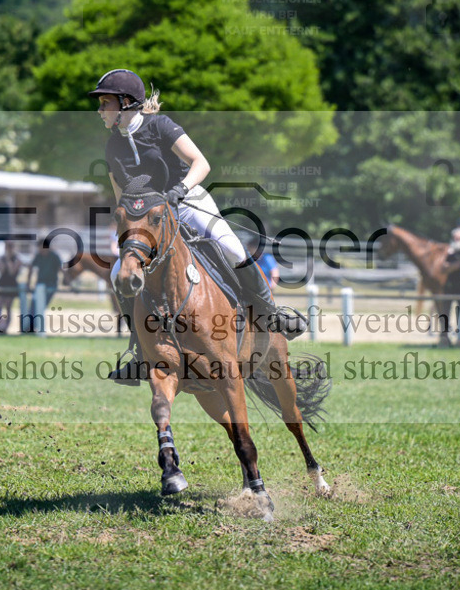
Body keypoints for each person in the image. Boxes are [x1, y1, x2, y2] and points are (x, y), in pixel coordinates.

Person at [89, 68, 306, 383]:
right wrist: (123, 232)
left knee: (230, 246)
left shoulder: (160, 126)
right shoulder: (113, 146)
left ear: (125, 102)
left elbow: (201, 163)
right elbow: (122, 197)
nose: (99, 111)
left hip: (187, 200)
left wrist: (180, 190)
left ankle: (271, 314)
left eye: (104, 103)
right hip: (149, 218)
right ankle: (138, 352)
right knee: (115, 274)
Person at [26, 243, 63, 334]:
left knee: (41, 305)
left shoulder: (54, 257)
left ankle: (36, 327)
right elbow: (31, 268)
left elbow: (61, 269)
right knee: (34, 305)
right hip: (39, 286)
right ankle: (31, 328)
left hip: (50, 285)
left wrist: (69, 282)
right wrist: (28, 283)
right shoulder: (38, 256)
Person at [0, 241, 23, 334]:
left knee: (8, 307)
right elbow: (1, 271)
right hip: (2, 283)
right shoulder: (1, 258)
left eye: (10, 246)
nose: (8, 249)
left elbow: (12, 272)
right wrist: (4, 260)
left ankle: (5, 328)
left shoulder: (17, 259)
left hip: (11, 284)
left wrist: (8, 261)